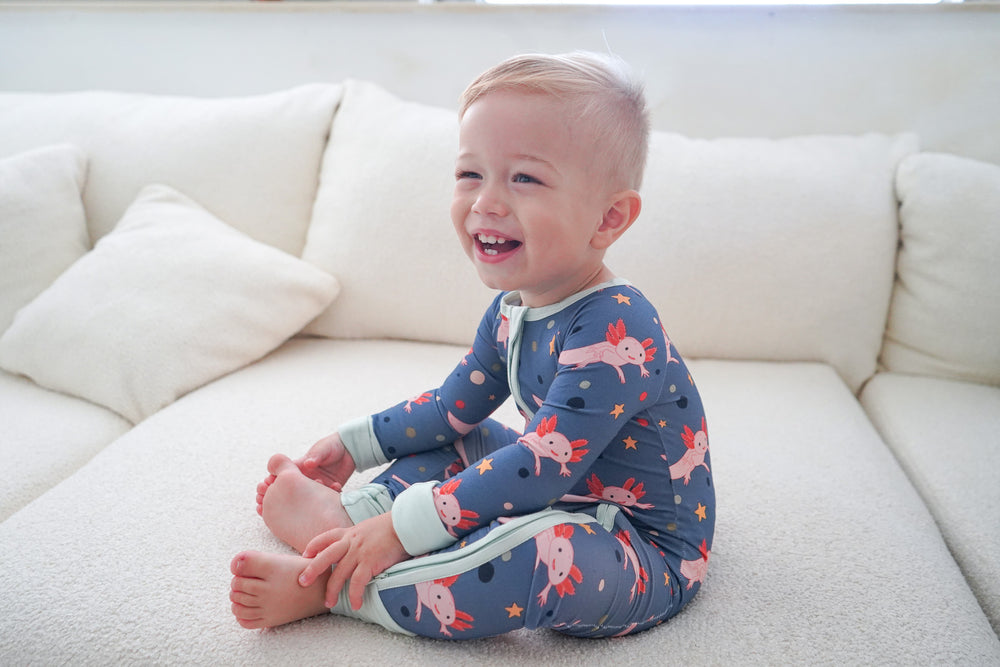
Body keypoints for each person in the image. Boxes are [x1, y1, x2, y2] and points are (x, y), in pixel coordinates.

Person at [230, 51, 714, 639]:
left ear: (609, 218)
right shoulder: (511, 311)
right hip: (561, 492)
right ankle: (347, 526)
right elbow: (447, 409)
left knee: (534, 553)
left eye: (525, 178)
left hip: (636, 551)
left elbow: (539, 468)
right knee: (461, 441)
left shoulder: (618, 327)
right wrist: (355, 445)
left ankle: (336, 586)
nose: (486, 201)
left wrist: (406, 530)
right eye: (470, 174)